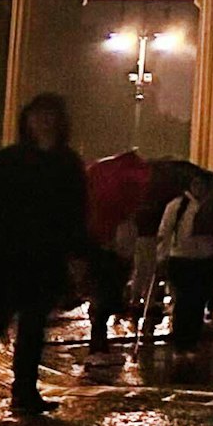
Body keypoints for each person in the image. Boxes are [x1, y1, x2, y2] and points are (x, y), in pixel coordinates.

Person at [0, 93, 89, 414]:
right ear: (28, 120)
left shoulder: (69, 164)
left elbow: (76, 211)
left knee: (34, 326)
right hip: (10, 252)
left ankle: (25, 391)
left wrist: (76, 253)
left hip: (47, 255)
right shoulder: (7, 161)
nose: (45, 121)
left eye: (51, 115)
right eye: (39, 115)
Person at [83, 147, 149, 356]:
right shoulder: (115, 216)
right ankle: (98, 338)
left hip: (109, 257)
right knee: (105, 298)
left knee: (104, 298)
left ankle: (98, 334)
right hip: (109, 259)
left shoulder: (107, 211)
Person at [155, 170, 213, 349]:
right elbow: (165, 232)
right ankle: (181, 341)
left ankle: (191, 341)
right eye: (196, 184)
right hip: (181, 258)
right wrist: (162, 256)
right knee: (184, 301)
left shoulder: (211, 207)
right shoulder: (177, 206)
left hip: (204, 259)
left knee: (198, 302)